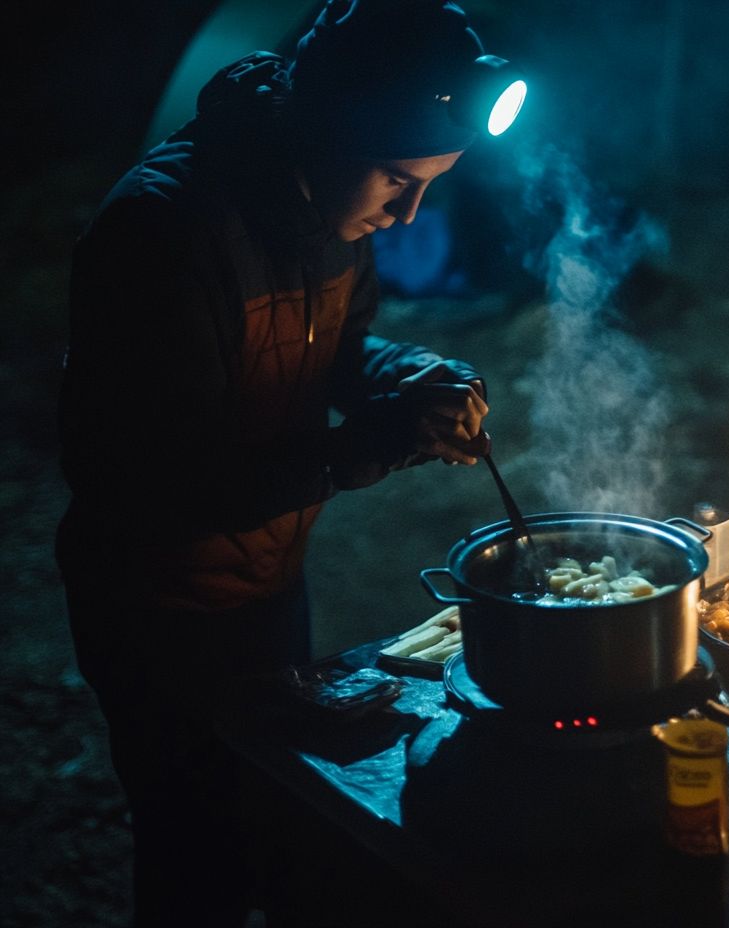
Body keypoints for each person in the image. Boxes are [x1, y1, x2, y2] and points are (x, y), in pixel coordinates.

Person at [55, 1, 522, 923]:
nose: (408, 212)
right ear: (334, 126)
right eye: (397, 179)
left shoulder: (321, 206)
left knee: (281, 826)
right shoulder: (166, 234)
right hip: (159, 611)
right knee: (197, 855)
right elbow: (162, 489)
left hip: (267, 583)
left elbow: (340, 348)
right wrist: (368, 448)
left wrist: (414, 374)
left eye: (430, 183)